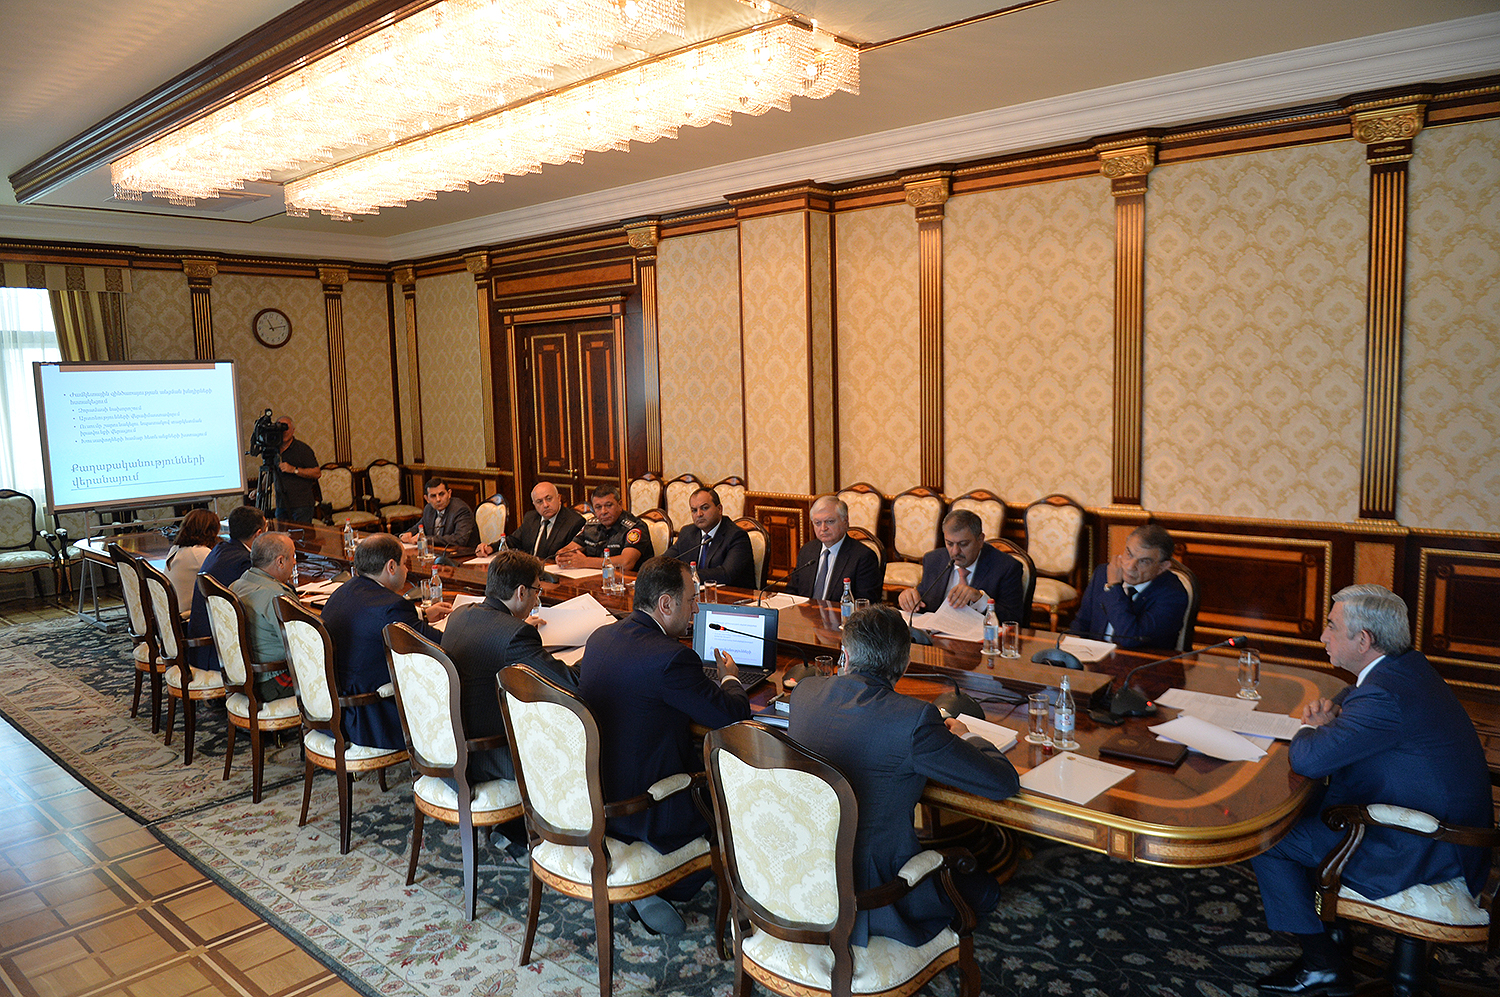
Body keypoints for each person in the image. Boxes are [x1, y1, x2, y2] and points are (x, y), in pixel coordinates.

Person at [1251, 585, 1491, 995]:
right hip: (1448, 826)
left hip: (1424, 846)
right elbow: (1354, 696)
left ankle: (1322, 966)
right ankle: (1336, 935)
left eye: (1331, 626)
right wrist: (1333, 715)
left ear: (1363, 640)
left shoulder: (1384, 695)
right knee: (1309, 808)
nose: (1322, 636)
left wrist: (1312, 727)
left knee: (1269, 838)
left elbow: (1308, 760)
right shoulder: (1405, 667)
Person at [789, 604, 1020, 946]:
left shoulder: (804, 693)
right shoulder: (915, 720)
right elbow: (1002, 783)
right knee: (985, 891)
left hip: (801, 876)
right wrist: (967, 735)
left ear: (845, 655)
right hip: (872, 897)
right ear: (905, 663)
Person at [577, 555, 750, 934]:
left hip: (595, 795)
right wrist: (730, 679)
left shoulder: (601, 637)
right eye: (691, 600)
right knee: (736, 792)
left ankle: (641, 885)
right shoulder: (671, 659)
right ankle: (662, 885)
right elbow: (732, 715)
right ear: (666, 604)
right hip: (647, 809)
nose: (696, 609)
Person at [441, 549, 577, 784]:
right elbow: (568, 683)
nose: (537, 600)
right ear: (521, 592)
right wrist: (597, 651)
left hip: (447, 745)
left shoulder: (460, 614)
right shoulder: (515, 634)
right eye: (537, 591)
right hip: (484, 755)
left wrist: (515, 624)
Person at [321, 534, 452, 750]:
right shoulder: (392, 606)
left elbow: (376, 619)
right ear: (391, 566)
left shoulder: (343, 591)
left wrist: (423, 615)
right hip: (367, 718)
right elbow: (439, 645)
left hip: (331, 710)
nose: (406, 570)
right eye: (404, 563)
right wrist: (462, 622)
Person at [1070, 524, 1188, 649]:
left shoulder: (1173, 595)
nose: (1130, 566)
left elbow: (1130, 639)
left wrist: (1113, 587)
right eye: (1129, 554)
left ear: (1162, 567)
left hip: (1139, 659)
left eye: (1143, 561)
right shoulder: (1102, 573)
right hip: (1093, 656)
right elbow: (1081, 623)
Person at [898, 509, 1024, 624]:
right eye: (949, 543)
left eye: (963, 544)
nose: (955, 551)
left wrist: (980, 600)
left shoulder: (1006, 567)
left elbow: (1013, 619)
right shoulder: (934, 560)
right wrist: (909, 598)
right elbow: (924, 601)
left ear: (980, 540)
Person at [188, 505, 266, 673]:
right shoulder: (244, 562)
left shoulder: (219, 549)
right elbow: (261, 602)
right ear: (259, 534)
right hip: (219, 655)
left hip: (200, 649)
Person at [226, 532, 298, 702]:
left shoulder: (236, 585)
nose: (295, 562)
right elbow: (302, 646)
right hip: (272, 681)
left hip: (242, 678)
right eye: (293, 556)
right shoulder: (278, 597)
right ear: (280, 561)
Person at [785, 495, 882, 603]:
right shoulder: (807, 551)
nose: (823, 528)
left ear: (845, 521)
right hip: (806, 612)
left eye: (830, 521)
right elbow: (792, 592)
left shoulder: (863, 557)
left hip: (840, 614)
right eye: (818, 523)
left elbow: (865, 604)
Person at [663, 487, 755, 589]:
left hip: (731, 595)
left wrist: (686, 575)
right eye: (694, 510)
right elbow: (665, 561)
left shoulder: (736, 536)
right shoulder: (687, 533)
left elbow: (726, 574)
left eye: (705, 508)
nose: (699, 514)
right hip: (695, 595)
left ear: (719, 509)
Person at [554, 484, 652, 572]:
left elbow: (626, 563)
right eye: (598, 507)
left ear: (620, 505)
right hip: (595, 579)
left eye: (609, 506)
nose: (603, 511)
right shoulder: (591, 525)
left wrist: (585, 562)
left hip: (626, 581)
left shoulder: (635, 527)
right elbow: (571, 547)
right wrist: (562, 555)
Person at [476, 481, 584, 560]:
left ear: (559, 499)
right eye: (539, 501)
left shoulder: (574, 522)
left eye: (549, 499)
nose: (545, 505)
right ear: (534, 504)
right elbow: (513, 540)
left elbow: (568, 556)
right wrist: (490, 548)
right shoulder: (531, 518)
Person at [164, 508, 221, 613]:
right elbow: (220, 580)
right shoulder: (200, 553)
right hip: (187, 615)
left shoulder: (175, 549)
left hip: (171, 612)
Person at [400, 477, 478, 549]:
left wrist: (426, 539)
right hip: (438, 552)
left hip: (463, 553)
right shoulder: (429, 509)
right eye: (433, 496)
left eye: (441, 494)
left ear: (449, 493)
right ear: (427, 498)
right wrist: (408, 534)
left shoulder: (461, 510)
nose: (438, 499)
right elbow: (420, 526)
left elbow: (459, 539)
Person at [273, 416, 321, 524]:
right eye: (280, 428)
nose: (283, 432)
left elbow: (317, 473)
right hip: (281, 504)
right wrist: (260, 489)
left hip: (301, 505)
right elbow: (271, 472)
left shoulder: (302, 449)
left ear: (293, 430)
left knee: (300, 533)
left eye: (286, 428)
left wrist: (294, 470)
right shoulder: (274, 450)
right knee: (282, 534)